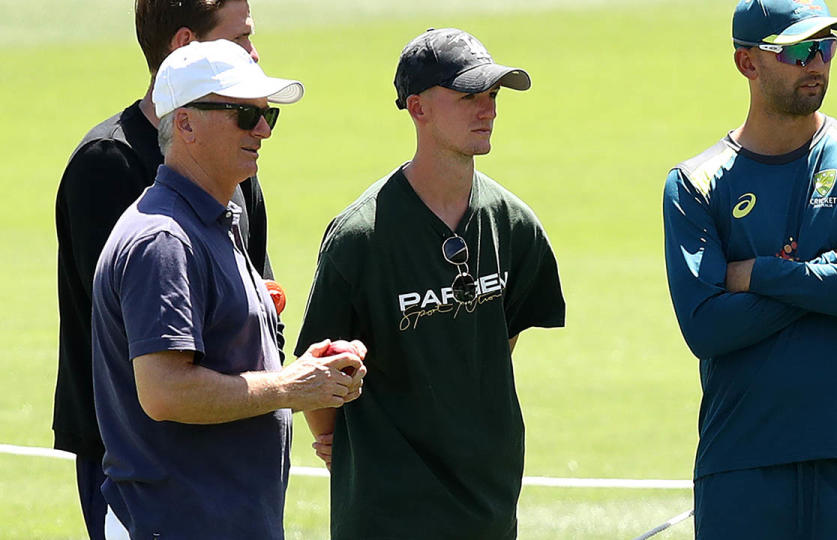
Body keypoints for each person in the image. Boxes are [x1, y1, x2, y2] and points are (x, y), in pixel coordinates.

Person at [662, 0, 837, 538]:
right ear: (747, 63)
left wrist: (757, 274)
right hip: (741, 469)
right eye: (799, 49)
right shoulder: (694, 183)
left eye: (826, 46)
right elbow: (708, 327)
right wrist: (836, 272)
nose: (817, 63)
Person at [296, 28, 566, 539]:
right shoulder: (360, 236)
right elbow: (317, 368)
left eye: (492, 95)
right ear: (417, 108)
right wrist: (353, 452)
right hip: (386, 514)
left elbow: (495, 345)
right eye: (468, 96)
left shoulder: (514, 224)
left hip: (488, 506)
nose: (487, 109)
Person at [90, 40, 366, 538]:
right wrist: (290, 386)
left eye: (266, 116)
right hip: (177, 523)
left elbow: (230, 361)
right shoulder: (164, 240)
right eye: (243, 114)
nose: (262, 129)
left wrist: (310, 371)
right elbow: (165, 392)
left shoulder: (217, 221)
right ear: (187, 124)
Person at [53, 2, 277, 538]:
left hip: (224, 460)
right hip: (139, 467)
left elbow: (261, 295)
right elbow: (143, 342)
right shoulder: (110, 166)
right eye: (240, 39)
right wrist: (288, 388)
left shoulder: (232, 165)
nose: (254, 52)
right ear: (184, 47)